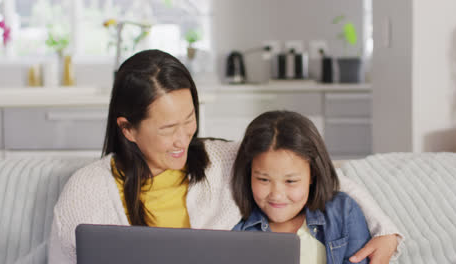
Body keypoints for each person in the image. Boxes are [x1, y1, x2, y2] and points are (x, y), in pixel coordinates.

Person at [49, 49, 401, 264]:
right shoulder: (86, 190)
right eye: (168, 128)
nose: (183, 138)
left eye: (190, 120)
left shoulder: (222, 159)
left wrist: (386, 231)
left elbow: (317, 176)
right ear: (128, 129)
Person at [232, 110, 372, 264]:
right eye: (263, 179)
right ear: (248, 174)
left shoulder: (343, 212)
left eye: (290, 181)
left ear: (312, 174)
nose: (277, 195)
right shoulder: (237, 228)